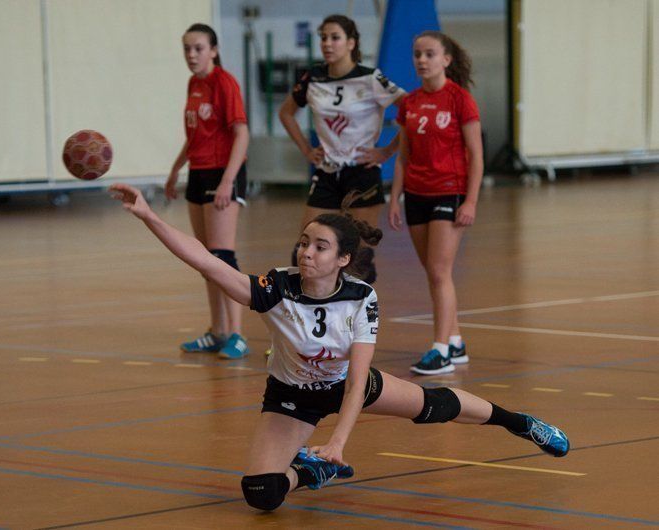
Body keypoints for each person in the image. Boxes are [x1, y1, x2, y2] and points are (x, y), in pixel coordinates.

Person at [109, 183, 570, 513]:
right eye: (304, 242)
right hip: (290, 398)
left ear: (343, 259)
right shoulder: (276, 287)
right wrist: (150, 216)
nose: (306, 252)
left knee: (433, 406)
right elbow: (207, 262)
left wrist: (339, 441)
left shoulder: (360, 298)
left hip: (346, 385)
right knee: (261, 493)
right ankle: (311, 472)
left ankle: (522, 423)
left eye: (320, 247)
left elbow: (356, 383)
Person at [279, 14, 407, 284]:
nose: (327, 43)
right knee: (304, 250)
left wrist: (386, 150)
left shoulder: (370, 78)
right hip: (327, 171)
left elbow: (411, 109)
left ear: (351, 43)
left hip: (362, 172)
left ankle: (360, 319)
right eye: (323, 37)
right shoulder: (313, 77)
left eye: (334, 37)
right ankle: (317, 315)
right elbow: (286, 113)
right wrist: (306, 149)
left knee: (359, 256)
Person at [386, 31, 484, 375]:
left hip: (449, 192)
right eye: (417, 54)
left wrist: (470, 201)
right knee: (434, 272)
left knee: (441, 271)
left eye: (429, 54)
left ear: (446, 60)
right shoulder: (409, 104)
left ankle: (440, 350)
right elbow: (402, 157)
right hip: (416, 194)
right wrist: (395, 198)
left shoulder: (460, 99)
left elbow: (476, 154)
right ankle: (455, 341)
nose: (422, 60)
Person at [166, 23, 250, 359]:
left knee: (222, 256)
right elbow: (195, 135)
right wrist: (175, 170)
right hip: (199, 172)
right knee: (204, 260)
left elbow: (241, 134)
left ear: (213, 50)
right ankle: (218, 331)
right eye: (186, 48)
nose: (191, 54)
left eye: (198, 48)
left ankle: (238, 334)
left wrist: (229, 180)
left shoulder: (223, 82)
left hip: (222, 171)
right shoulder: (194, 83)